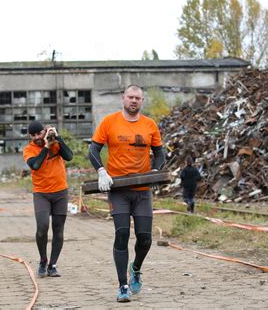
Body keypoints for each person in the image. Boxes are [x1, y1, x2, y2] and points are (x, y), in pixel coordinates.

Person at [88, 85, 165, 302]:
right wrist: (101, 171)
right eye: (130, 97)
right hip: (118, 190)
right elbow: (93, 150)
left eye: (137, 98)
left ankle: (136, 268)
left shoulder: (150, 125)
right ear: (123, 98)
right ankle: (122, 285)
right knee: (121, 234)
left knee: (145, 239)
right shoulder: (109, 122)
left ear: (142, 101)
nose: (133, 101)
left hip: (142, 192)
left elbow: (159, 152)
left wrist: (155, 172)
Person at [23, 121, 73, 277]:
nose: (38, 137)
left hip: (60, 192)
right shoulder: (29, 149)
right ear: (30, 136)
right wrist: (45, 147)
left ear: (45, 131)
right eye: (34, 135)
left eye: (40, 133)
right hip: (41, 193)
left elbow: (69, 156)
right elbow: (35, 165)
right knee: (42, 227)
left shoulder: (55, 143)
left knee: (58, 230)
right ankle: (43, 260)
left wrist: (58, 138)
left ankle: (53, 265)